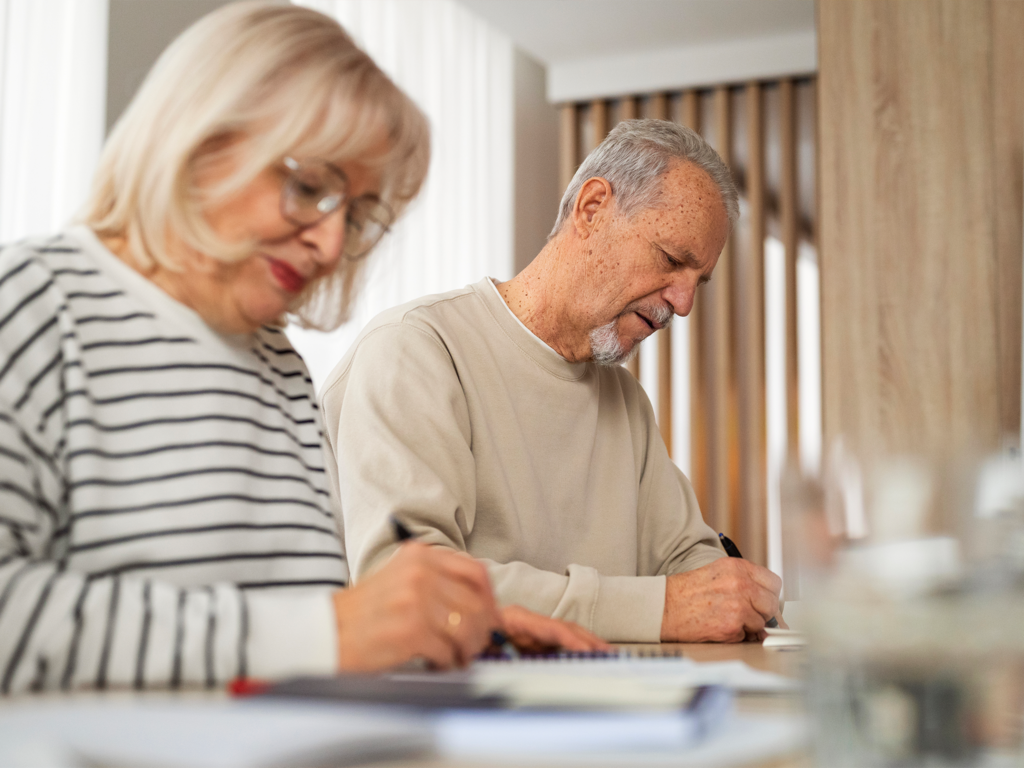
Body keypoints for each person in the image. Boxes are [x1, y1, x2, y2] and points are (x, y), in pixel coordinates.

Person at [0, 2, 603, 695]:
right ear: (197, 136)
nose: (330, 244)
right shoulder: (30, 304)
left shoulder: (280, 369)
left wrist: (446, 633)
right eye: (309, 186)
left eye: (356, 215)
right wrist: (334, 633)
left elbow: (303, 634)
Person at [321, 118, 783, 645]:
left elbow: (685, 558)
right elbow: (409, 579)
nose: (684, 303)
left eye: (696, 281)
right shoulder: (416, 348)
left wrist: (739, 597)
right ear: (592, 209)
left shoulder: (625, 402)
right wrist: (657, 609)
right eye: (672, 260)